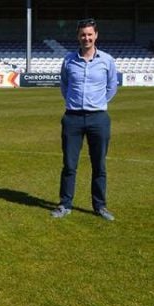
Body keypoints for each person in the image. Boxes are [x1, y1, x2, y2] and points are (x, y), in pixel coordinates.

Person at [52, 18, 119, 221]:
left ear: (96, 35)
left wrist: (97, 104)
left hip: (98, 118)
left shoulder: (107, 60)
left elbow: (112, 87)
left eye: (90, 34)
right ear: (78, 36)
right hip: (72, 118)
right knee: (69, 165)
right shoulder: (69, 60)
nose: (86, 38)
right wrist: (76, 104)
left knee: (99, 165)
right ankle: (65, 204)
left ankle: (100, 206)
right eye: (83, 34)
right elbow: (65, 86)